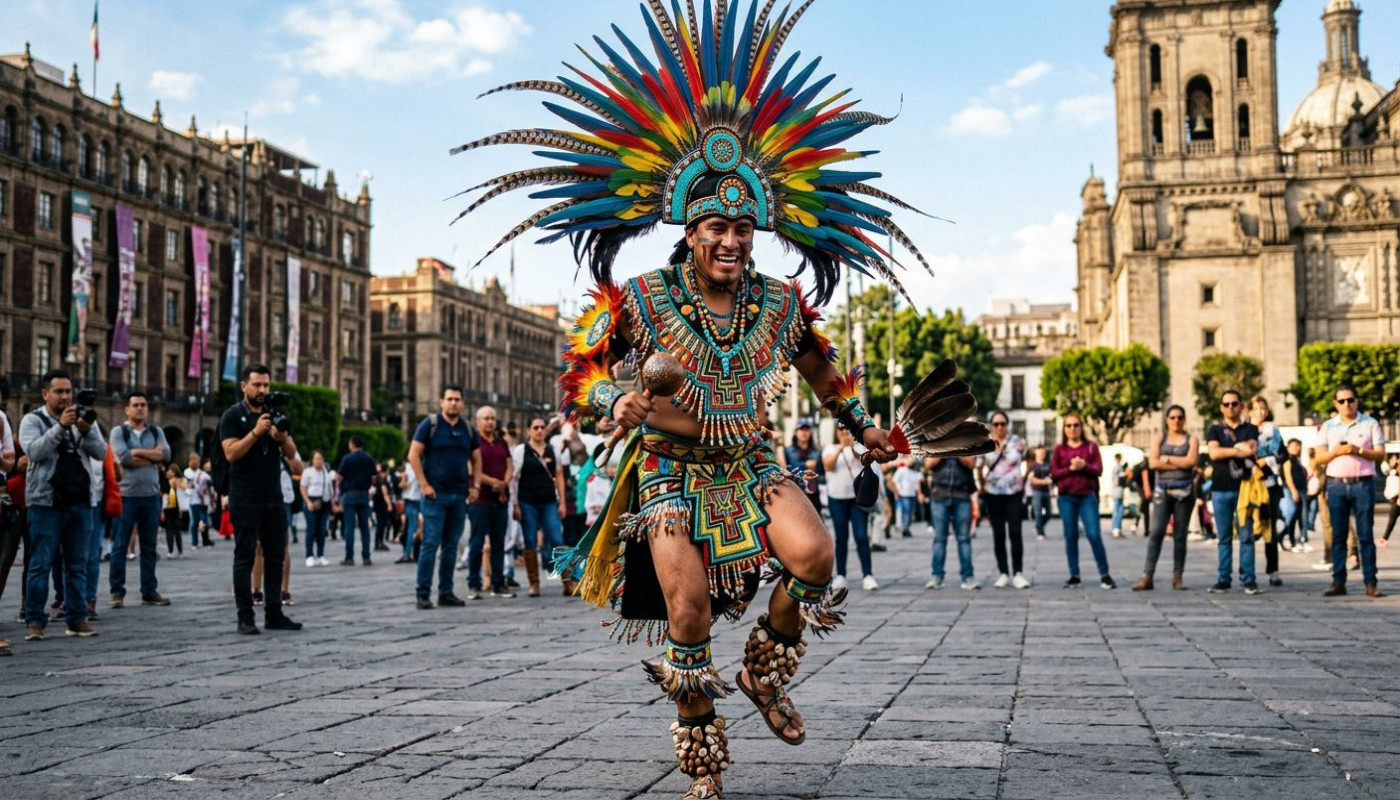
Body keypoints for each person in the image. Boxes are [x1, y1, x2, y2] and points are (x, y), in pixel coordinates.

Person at [460, 2, 974, 795]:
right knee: (688, 613)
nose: (731, 240)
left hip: (749, 462)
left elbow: (820, 369)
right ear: (689, 231)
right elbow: (583, 372)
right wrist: (615, 400)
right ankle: (702, 758)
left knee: (814, 556)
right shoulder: (639, 298)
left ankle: (763, 672)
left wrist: (861, 426)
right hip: (668, 471)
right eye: (715, 227)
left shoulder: (779, 303)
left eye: (742, 228)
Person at [18, 369, 107, 640]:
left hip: (80, 502)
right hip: (45, 502)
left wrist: (87, 431)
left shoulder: (82, 418)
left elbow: (101, 452)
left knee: (77, 564)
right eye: (59, 392)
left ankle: (77, 619)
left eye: (68, 391)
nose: (65, 397)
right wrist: (60, 427)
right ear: (46, 394)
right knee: (40, 564)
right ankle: (35, 621)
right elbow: (34, 452)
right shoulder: (32, 420)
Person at [220, 364, 303, 635]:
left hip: (273, 495)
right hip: (245, 495)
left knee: (276, 556)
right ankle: (245, 616)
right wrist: (256, 432)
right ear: (244, 386)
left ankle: (274, 613)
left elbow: (292, 456)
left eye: (266, 385)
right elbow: (231, 453)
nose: (262, 390)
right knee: (245, 555)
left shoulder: (274, 414)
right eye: (257, 385)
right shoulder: (233, 415)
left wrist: (281, 437)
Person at [406, 385, 481, 608]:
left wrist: (476, 485)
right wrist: (424, 484)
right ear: (441, 402)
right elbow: (413, 455)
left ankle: (446, 592)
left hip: (458, 495)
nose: (453, 403)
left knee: (450, 546)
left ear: (462, 403)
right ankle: (423, 593)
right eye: (449, 399)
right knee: (430, 543)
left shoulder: (467, 429)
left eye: (457, 399)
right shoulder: (430, 425)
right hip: (435, 496)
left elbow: (477, 458)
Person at [1317, 384, 1385, 597]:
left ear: (1357, 401)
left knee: (1365, 535)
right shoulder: (1328, 426)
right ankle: (1338, 581)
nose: (1347, 404)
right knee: (1338, 535)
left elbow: (1380, 454)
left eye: (1350, 400)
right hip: (1336, 484)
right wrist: (1336, 452)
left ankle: (1370, 582)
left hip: (1362, 483)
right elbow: (1319, 458)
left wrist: (1358, 450)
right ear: (1335, 403)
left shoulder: (1370, 423)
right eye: (1342, 401)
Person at [108, 391, 172, 608]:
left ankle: (149, 590)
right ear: (127, 409)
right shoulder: (119, 431)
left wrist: (136, 452)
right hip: (125, 497)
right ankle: (117, 592)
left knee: (149, 546)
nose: (140, 408)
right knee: (119, 546)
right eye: (135, 405)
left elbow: (166, 455)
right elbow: (123, 458)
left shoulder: (156, 431)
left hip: (151, 497)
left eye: (143, 405)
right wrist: (152, 456)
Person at [1132, 405, 1198, 591]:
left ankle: (1178, 576)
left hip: (1185, 493)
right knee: (1156, 532)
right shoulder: (1159, 438)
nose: (1176, 420)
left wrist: (1167, 459)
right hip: (1162, 492)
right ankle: (1147, 576)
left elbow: (1192, 461)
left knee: (1180, 535)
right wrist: (1180, 463)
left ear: (1184, 420)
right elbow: (1153, 463)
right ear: (1167, 420)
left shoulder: (1191, 439)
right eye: (1172, 417)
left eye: (1180, 417)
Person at [1205, 390, 1261, 595]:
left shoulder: (1251, 429)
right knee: (1224, 537)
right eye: (1226, 404)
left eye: (1234, 403)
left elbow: (1252, 449)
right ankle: (1223, 579)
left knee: (1246, 536)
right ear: (1221, 408)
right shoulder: (1215, 429)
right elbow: (1213, 453)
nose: (1231, 407)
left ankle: (1249, 579)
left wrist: (1227, 451)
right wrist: (1238, 450)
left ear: (1242, 406)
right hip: (1220, 489)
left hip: (1244, 488)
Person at [1051, 413, 1114, 589]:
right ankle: (1074, 575)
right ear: (1064, 429)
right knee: (1071, 536)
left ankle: (1105, 574)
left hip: (1087, 496)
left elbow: (1099, 469)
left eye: (1076, 425)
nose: (1072, 429)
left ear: (1081, 427)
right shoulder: (1059, 449)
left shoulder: (1091, 447)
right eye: (1068, 425)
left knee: (1094, 535)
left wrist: (1084, 466)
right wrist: (1071, 469)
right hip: (1066, 497)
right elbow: (1054, 473)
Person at [511, 416, 566, 598]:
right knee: (530, 541)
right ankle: (534, 583)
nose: (540, 430)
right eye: (536, 428)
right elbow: (514, 479)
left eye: (542, 427)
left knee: (557, 539)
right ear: (529, 430)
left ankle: (568, 581)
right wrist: (515, 504)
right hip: (527, 502)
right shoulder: (521, 451)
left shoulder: (552, 450)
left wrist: (562, 501)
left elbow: (559, 475)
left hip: (549, 501)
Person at [978, 411, 1030, 589]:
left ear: (1007, 425)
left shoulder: (1018, 442)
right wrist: (981, 486)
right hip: (992, 493)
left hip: (1014, 492)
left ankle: (1018, 573)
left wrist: (1024, 480)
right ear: (991, 426)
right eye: (996, 424)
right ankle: (1003, 572)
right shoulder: (985, 443)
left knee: (1015, 531)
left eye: (1002, 424)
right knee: (998, 533)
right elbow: (979, 466)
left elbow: (1029, 461)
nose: (999, 427)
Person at [465, 405, 513, 596]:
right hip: (480, 499)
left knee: (498, 543)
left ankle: (497, 583)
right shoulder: (473, 442)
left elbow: (509, 465)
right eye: (486, 418)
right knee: (476, 542)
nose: (490, 422)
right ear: (478, 422)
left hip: (500, 498)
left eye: (493, 418)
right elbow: (470, 468)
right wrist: (492, 482)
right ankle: (474, 583)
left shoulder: (502, 443)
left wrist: (504, 483)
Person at [822, 425, 876, 592]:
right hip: (836, 498)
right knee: (841, 537)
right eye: (840, 429)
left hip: (856, 498)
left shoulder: (859, 447)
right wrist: (840, 448)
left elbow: (864, 460)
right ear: (835, 432)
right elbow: (827, 466)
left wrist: (852, 446)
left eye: (847, 428)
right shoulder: (830, 448)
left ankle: (868, 575)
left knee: (861, 536)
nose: (844, 431)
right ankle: (841, 575)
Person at [1248, 395, 1284, 587]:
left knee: (1270, 529)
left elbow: (1281, 454)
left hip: (1269, 484)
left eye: (1263, 408)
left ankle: (1273, 570)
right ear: (1250, 411)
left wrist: (1266, 460)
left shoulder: (1272, 429)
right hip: (1249, 484)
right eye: (1256, 408)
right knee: (1249, 528)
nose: (1260, 412)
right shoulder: (1245, 429)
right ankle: (1247, 570)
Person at [336, 435, 376, 566]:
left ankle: (349, 557)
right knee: (365, 527)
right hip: (364, 495)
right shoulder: (369, 458)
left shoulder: (347, 458)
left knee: (349, 526)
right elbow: (374, 478)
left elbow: (339, 477)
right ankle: (366, 557)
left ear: (352, 444)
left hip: (350, 494)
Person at [785, 420, 825, 513]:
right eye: (801, 429)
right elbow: (786, 469)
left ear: (810, 432)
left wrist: (814, 474)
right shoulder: (787, 451)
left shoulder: (817, 451)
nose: (804, 432)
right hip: (794, 492)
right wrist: (805, 465)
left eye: (806, 429)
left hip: (813, 493)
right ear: (795, 432)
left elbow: (822, 474)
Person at [300, 450, 332, 567]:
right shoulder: (307, 472)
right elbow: (303, 488)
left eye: (320, 458)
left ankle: (320, 555)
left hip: (324, 501)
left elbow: (329, 487)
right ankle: (309, 555)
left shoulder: (326, 472)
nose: (318, 461)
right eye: (316, 458)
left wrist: (332, 501)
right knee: (311, 528)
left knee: (322, 530)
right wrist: (308, 502)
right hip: (312, 500)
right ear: (312, 460)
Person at [1279, 439, 1307, 552]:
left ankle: (1293, 541)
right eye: (1293, 445)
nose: (1296, 448)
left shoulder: (1297, 460)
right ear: (1288, 447)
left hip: (1300, 491)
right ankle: (1282, 538)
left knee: (1297, 518)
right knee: (1290, 517)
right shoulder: (1287, 460)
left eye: (1298, 446)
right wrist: (1294, 491)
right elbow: (1288, 477)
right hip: (1290, 491)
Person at [184, 454, 213, 550]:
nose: (196, 462)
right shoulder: (187, 472)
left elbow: (209, 484)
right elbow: (187, 486)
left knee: (204, 520)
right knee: (194, 521)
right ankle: (194, 542)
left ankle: (205, 540)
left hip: (203, 500)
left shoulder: (203, 474)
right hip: (193, 500)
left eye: (197, 460)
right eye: (194, 460)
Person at [1025, 446, 1053, 541]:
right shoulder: (1033, 466)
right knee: (1038, 513)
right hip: (1037, 491)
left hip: (1046, 491)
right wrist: (1044, 482)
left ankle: (1038, 526)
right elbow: (1032, 480)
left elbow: (1051, 478)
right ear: (1036, 453)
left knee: (1049, 513)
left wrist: (1050, 487)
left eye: (1043, 453)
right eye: (1040, 452)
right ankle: (1040, 532)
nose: (1042, 455)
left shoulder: (1048, 465)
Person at [891, 458, 923, 538]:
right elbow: (894, 481)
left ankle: (906, 527)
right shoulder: (901, 470)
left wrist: (919, 494)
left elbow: (918, 483)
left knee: (910, 513)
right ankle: (905, 528)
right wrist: (896, 492)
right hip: (904, 494)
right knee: (906, 512)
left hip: (912, 494)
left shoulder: (916, 471)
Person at [1381, 453, 1399, 546]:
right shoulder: (1391, 471)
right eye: (1393, 459)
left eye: (1395, 459)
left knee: (1392, 521)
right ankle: (1384, 539)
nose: (1395, 461)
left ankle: (1384, 539)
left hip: (1397, 499)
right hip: (1395, 500)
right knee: (1391, 521)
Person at [1108, 453, 1128, 539]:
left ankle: (1117, 528)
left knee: (1118, 510)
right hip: (1118, 490)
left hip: (1117, 490)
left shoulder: (1116, 467)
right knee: (1118, 510)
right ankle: (1116, 528)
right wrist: (1125, 474)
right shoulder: (1118, 468)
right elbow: (1119, 479)